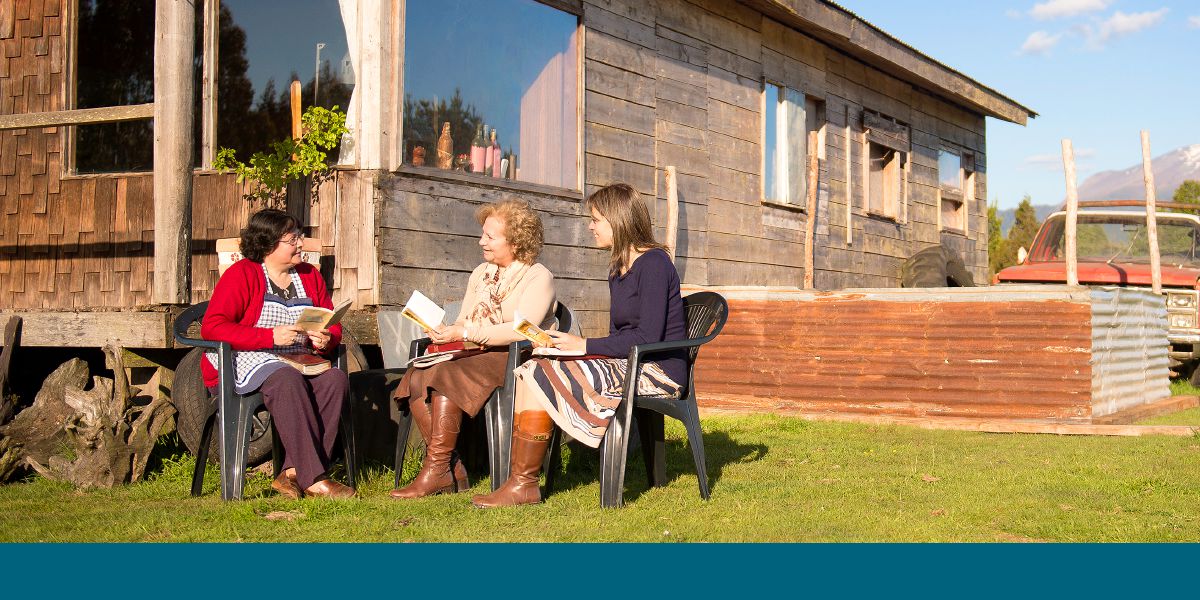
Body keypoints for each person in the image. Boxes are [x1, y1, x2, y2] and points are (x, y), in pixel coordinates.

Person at [472, 183, 687, 508]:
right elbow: (618, 337)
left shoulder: (655, 264)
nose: (590, 226)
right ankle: (522, 482)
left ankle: (523, 483)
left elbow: (648, 338)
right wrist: (569, 348)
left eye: (596, 219)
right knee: (535, 365)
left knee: (544, 370)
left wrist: (583, 345)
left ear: (617, 220)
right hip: (629, 362)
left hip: (658, 370)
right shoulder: (618, 269)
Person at [391, 199, 557, 499]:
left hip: (516, 356)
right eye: (483, 234)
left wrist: (467, 332)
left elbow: (521, 330)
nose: (482, 241)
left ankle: (438, 469)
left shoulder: (537, 276)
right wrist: (446, 332)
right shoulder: (481, 272)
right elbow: (465, 320)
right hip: (477, 350)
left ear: (516, 242)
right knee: (417, 374)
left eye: (490, 236)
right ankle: (447, 467)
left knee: (445, 374)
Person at [200, 209, 354, 500]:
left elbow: (331, 322)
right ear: (268, 243)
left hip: (297, 357)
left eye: (300, 237)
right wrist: (268, 336)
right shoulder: (243, 274)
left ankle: (293, 473)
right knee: (286, 379)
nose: (300, 244)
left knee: (335, 380)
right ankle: (315, 479)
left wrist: (325, 339)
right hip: (246, 356)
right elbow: (213, 327)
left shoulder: (309, 275)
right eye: (292, 239)